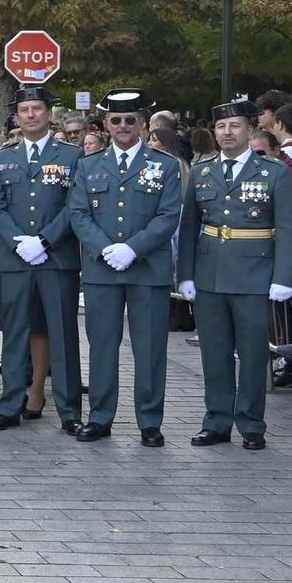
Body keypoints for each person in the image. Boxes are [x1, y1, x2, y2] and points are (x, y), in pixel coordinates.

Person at [177, 99, 292, 450]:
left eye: (234, 126)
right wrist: (185, 274)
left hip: (254, 273)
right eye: (220, 127)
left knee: (252, 353)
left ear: (250, 130)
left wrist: (282, 277)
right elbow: (189, 228)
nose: (226, 133)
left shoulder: (273, 172)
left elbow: (288, 227)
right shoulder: (202, 171)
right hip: (210, 272)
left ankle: (251, 423)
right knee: (214, 353)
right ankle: (216, 421)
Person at [66, 90, 183, 447]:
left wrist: (133, 248)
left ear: (143, 124)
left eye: (130, 120)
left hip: (147, 269)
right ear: (106, 125)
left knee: (149, 348)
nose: (123, 126)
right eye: (116, 120)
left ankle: (150, 421)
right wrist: (105, 248)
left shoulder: (163, 165)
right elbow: (78, 213)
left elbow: (168, 215)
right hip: (103, 269)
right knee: (102, 345)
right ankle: (100, 417)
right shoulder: (87, 165)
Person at [0, 85, 85, 435]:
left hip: (56, 258)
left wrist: (44, 240)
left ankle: (69, 410)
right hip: (16, 259)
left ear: (48, 113)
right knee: (15, 334)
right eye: (24, 109)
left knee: (63, 333)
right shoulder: (3, 157)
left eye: (37, 109)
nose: (30, 115)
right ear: (16, 116)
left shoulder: (72, 156)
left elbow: (76, 206)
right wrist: (16, 241)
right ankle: (11, 404)